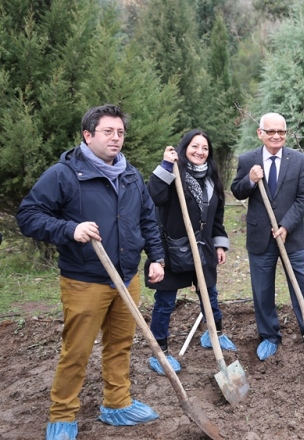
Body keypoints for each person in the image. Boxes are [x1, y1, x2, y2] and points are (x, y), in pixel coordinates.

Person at [16, 104, 164, 440]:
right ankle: (62, 414)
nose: (116, 138)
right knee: (77, 351)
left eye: (120, 132)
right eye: (108, 131)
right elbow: (28, 216)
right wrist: (70, 229)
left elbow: (147, 220)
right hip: (85, 280)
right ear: (88, 135)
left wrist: (156, 258)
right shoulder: (64, 174)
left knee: (120, 344)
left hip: (127, 277)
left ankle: (117, 403)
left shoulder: (131, 175)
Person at [230, 112, 304, 361]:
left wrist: (286, 226)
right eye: (271, 131)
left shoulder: (298, 160)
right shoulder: (248, 160)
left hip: (292, 236)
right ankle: (269, 336)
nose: (276, 136)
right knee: (262, 290)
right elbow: (237, 191)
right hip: (260, 236)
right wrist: (250, 180)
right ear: (260, 133)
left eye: (281, 131)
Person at [145, 129, 235, 376]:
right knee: (165, 301)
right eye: (195, 146)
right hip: (172, 247)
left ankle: (214, 334)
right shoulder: (174, 173)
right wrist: (166, 165)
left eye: (205, 148)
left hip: (202, 247)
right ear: (184, 148)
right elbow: (153, 196)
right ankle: (160, 352)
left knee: (209, 293)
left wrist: (219, 243)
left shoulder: (212, 179)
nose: (200, 151)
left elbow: (217, 217)